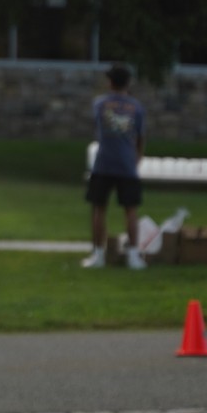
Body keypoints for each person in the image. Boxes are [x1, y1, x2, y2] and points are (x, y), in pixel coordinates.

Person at [82, 63, 146, 271]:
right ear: (128, 83)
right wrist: (137, 158)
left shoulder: (100, 104)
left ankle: (98, 255)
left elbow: (98, 125)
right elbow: (140, 137)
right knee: (131, 210)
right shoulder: (137, 107)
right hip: (127, 164)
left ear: (110, 82)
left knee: (99, 209)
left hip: (103, 163)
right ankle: (133, 256)